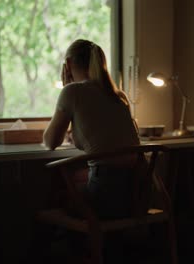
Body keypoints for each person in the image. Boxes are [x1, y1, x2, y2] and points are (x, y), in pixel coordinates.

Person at [43, 39, 142, 220]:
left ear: (68, 65)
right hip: (137, 194)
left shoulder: (72, 92)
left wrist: (67, 89)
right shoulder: (119, 95)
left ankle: (82, 245)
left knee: (57, 193)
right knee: (79, 177)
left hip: (105, 197)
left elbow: (50, 142)